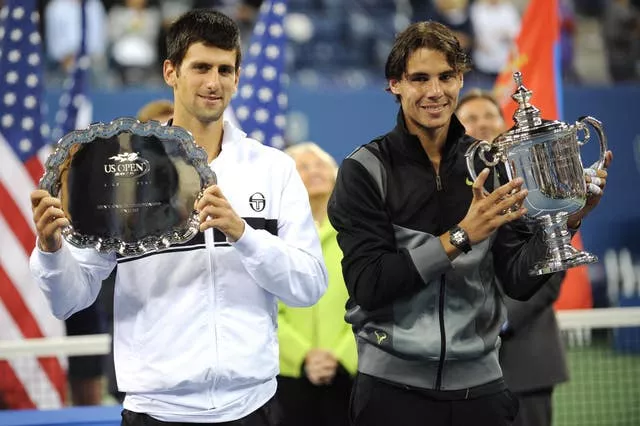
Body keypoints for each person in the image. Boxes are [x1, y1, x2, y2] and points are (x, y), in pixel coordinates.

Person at [30, 9, 327, 425]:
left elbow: (310, 285)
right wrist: (50, 251)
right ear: (171, 71)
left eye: (226, 69)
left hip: (252, 407)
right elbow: (68, 300)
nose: (214, 82)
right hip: (156, 411)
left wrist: (244, 234)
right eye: (201, 67)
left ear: (238, 77)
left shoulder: (273, 168)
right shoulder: (119, 171)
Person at [327, 21, 611, 426]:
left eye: (446, 77)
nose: (434, 91)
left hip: (483, 388)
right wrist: (460, 236)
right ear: (395, 85)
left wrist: (571, 218)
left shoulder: (492, 161)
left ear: (460, 78)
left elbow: (516, 279)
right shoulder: (365, 170)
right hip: (391, 391)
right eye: (419, 79)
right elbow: (370, 285)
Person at [456, 89, 569, 426]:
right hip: (460, 368)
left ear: (504, 123)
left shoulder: (538, 178)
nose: (481, 124)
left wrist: (498, 319)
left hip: (525, 362)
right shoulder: (443, 189)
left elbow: (553, 260)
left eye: (488, 116)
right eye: (470, 118)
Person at [276, 143, 357, 426]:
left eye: (320, 164)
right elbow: (265, 309)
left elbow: (373, 300)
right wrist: (301, 355)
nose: (314, 172)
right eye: (303, 167)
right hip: (288, 381)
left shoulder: (359, 233)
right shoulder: (273, 239)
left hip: (352, 376)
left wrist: (345, 355)